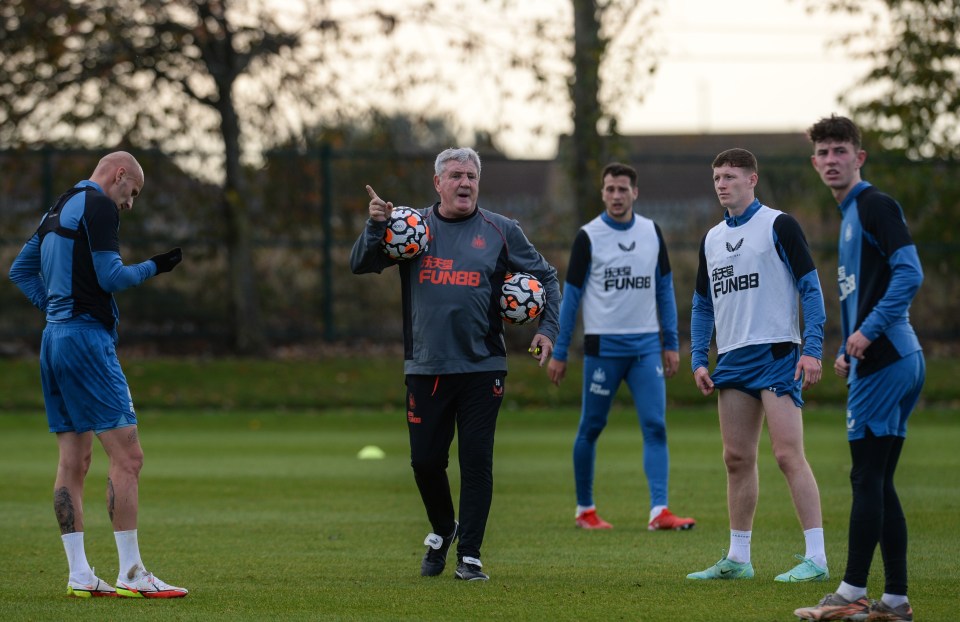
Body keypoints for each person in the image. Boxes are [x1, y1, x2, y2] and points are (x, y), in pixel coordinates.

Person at [350, 147, 560, 582]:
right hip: (426, 367)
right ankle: (444, 530)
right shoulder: (411, 228)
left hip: (484, 367)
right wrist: (375, 227)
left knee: (476, 460)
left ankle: (470, 555)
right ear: (438, 183)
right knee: (425, 463)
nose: (465, 183)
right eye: (456, 176)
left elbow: (549, 279)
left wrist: (548, 330)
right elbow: (361, 264)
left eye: (471, 176)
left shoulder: (502, 231)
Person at [8, 151, 187, 599]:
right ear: (120, 174)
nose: (130, 203)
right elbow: (110, 277)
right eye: (134, 193)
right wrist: (156, 266)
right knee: (128, 458)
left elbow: (20, 270)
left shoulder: (60, 205)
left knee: (74, 461)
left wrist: (54, 309)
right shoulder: (100, 205)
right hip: (86, 341)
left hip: (54, 340)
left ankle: (80, 574)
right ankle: (131, 572)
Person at [794, 117, 924, 622]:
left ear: (859, 157)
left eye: (840, 150)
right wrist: (851, 345)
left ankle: (850, 594)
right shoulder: (850, 214)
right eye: (823, 152)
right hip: (891, 356)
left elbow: (910, 272)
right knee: (880, 479)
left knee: (865, 476)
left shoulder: (874, 206)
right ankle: (894, 601)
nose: (831, 159)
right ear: (814, 162)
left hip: (889, 358)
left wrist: (866, 334)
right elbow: (867, 290)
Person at [687, 148, 830, 583]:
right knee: (736, 458)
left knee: (788, 455)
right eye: (716, 177)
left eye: (730, 176)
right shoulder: (711, 239)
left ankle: (817, 558)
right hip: (731, 358)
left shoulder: (778, 224)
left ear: (753, 179)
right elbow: (701, 304)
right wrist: (698, 356)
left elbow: (810, 288)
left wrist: (813, 348)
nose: (721, 184)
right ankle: (738, 557)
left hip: (776, 355)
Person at [546, 162, 695, 532]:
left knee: (656, 426)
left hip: (646, 349)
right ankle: (585, 510)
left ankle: (659, 512)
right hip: (602, 350)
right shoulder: (589, 236)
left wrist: (671, 344)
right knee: (591, 426)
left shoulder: (651, 232)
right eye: (610, 189)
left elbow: (664, 289)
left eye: (623, 189)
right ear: (602, 193)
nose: (616, 196)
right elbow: (571, 299)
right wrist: (560, 352)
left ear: (635, 193)